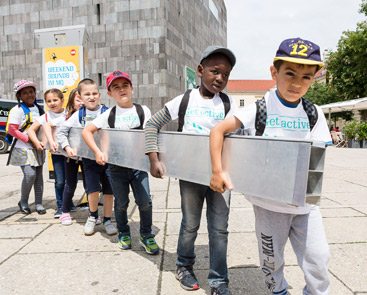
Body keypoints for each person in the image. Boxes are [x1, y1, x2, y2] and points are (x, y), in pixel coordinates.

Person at [209, 38, 333, 295]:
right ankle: (279, 291)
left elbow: (317, 157)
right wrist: (217, 171)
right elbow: (218, 131)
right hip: (268, 206)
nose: (297, 83)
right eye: (290, 74)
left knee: (319, 259)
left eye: (307, 77)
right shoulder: (259, 109)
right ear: (274, 72)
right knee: (271, 261)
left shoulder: (314, 113)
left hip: (305, 206)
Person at [145, 46, 237, 295]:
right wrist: (154, 159)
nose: (220, 78)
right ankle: (184, 266)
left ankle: (219, 280)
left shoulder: (228, 104)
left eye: (225, 75)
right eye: (214, 71)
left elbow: (239, 138)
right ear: (200, 70)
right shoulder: (184, 100)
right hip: (189, 176)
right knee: (190, 224)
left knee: (219, 229)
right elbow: (152, 124)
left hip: (220, 177)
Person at [82, 71, 159, 254]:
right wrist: (97, 151)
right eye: (116, 87)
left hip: (139, 167)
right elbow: (87, 131)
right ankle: (124, 233)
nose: (121, 89)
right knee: (122, 203)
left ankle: (146, 235)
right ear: (110, 94)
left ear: (132, 89)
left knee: (145, 201)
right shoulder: (109, 114)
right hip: (117, 168)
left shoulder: (143, 110)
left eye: (125, 85)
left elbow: (150, 134)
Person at [56, 79, 117, 235]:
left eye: (94, 93)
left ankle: (108, 219)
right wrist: (67, 147)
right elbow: (61, 132)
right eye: (87, 94)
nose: (91, 97)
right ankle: (92, 216)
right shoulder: (78, 115)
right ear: (80, 97)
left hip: (109, 159)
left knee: (109, 190)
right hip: (89, 160)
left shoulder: (108, 112)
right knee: (92, 190)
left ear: (100, 94)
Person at [6, 80, 46, 214]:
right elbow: (12, 130)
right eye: (25, 93)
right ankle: (23, 201)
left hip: (37, 147)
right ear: (19, 96)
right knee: (30, 174)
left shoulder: (40, 108)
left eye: (31, 92)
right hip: (22, 148)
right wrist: (28, 139)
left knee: (39, 176)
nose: (29, 95)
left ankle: (39, 203)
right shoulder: (16, 110)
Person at [28, 88, 67, 218]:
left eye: (55, 100)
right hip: (56, 155)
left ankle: (69, 203)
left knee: (70, 182)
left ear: (62, 100)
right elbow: (30, 130)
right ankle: (61, 206)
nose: (52, 103)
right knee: (60, 181)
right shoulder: (45, 117)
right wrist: (37, 143)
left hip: (71, 154)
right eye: (49, 101)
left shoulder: (69, 114)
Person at [50, 88, 83, 225]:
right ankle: (64, 210)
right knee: (69, 184)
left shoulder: (91, 115)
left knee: (90, 185)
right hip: (71, 157)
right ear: (72, 102)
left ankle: (94, 213)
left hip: (87, 157)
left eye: (83, 99)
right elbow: (52, 128)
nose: (81, 102)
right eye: (78, 100)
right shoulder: (68, 116)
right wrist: (64, 147)